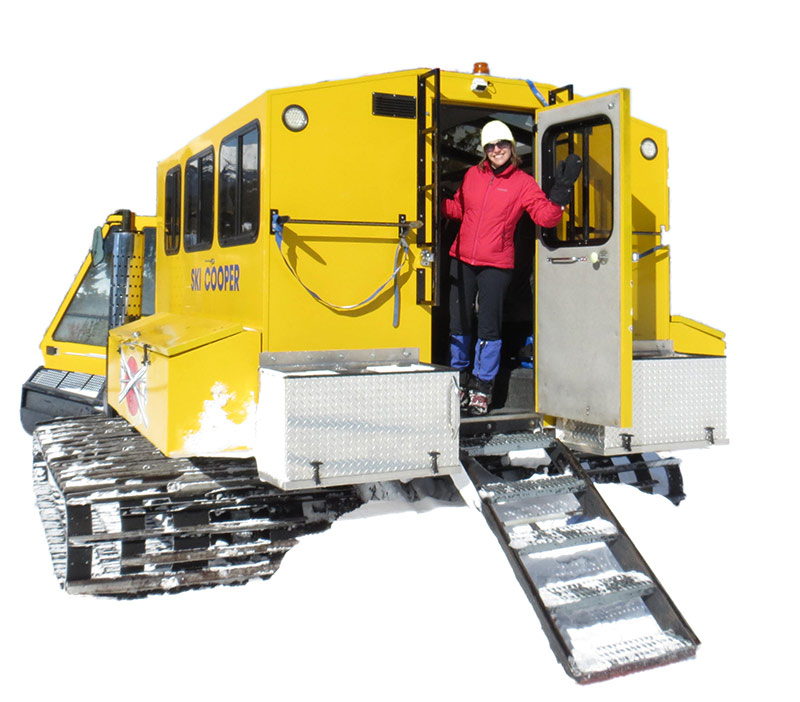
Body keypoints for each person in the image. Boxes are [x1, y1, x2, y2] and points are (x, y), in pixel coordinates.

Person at [442, 119, 582, 415]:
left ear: (511, 147)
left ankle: (482, 388)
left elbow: (545, 217)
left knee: (489, 328)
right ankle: (459, 381)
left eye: (502, 144)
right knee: (459, 324)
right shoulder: (471, 176)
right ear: (484, 150)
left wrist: (562, 190)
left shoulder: (522, 183)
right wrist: (431, 200)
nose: (496, 150)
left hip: (496, 264)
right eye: (490, 146)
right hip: (462, 259)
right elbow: (458, 209)